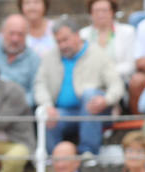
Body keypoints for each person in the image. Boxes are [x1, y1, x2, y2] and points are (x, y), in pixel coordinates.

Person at [35, 17, 121, 155]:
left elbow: (116, 84)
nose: (62, 45)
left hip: (96, 111)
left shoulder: (98, 53)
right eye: (58, 41)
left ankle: (88, 153)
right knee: (46, 114)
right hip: (64, 113)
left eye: (65, 40)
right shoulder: (50, 57)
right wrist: (47, 105)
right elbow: (40, 84)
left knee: (89, 95)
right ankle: (53, 159)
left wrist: (106, 100)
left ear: (77, 35)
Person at [79, 0, 135, 96]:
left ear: (112, 12)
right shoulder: (82, 35)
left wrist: (106, 74)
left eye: (104, 10)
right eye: (96, 11)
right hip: (91, 83)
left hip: (120, 79)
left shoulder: (127, 32)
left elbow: (131, 65)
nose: (100, 14)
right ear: (91, 13)